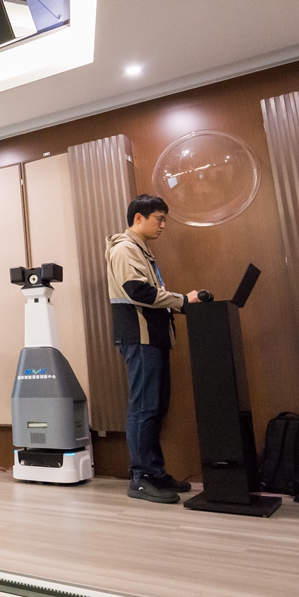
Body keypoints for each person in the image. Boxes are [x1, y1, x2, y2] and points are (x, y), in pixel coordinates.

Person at [105, 194, 200, 503]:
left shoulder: (142, 251)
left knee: (156, 407)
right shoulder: (124, 249)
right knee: (144, 407)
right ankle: (140, 477)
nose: (163, 224)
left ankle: (155, 472)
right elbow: (139, 292)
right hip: (140, 338)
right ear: (138, 218)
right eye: (159, 218)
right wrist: (183, 300)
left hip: (154, 339)